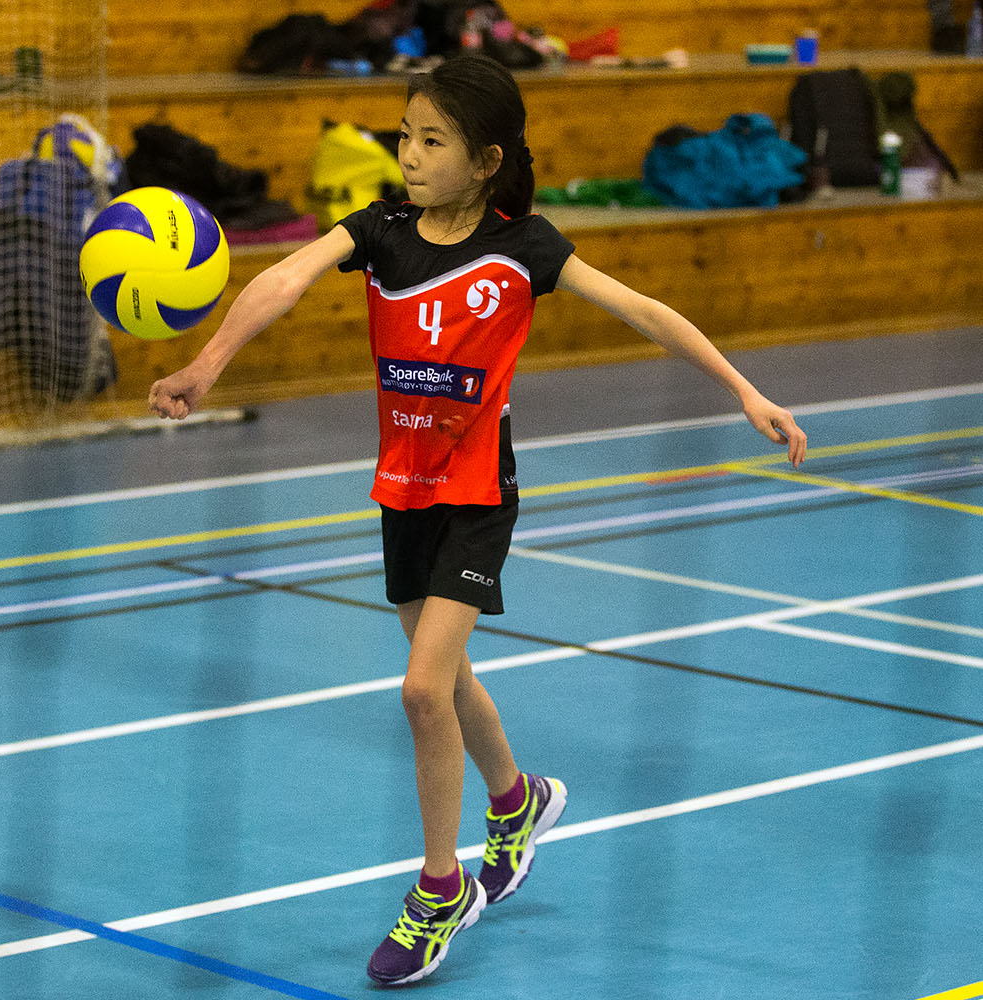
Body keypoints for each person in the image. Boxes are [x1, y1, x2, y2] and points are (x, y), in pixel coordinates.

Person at [148, 54, 808, 986]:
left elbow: (644, 311)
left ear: (487, 159)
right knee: (449, 678)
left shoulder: (523, 247)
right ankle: (516, 800)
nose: (410, 155)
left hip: (477, 494)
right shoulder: (380, 230)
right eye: (405, 136)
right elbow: (284, 279)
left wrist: (746, 390)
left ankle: (439, 889)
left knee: (422, 690)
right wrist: (208, 364)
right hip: (403, 488)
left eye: (432, 141)